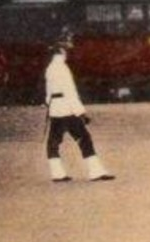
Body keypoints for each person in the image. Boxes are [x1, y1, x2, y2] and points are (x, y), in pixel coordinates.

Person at [43, 38, 114, 182]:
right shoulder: (63, 68)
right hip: (67, 109)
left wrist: (49, 105)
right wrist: (81, 112)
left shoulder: (50, 68)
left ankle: (57, 173)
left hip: (55, 109)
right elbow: (70, 91)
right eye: (66, 51)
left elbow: (48, 93)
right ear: (62, 52)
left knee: (53, 141)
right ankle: (96, 171)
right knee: (84, 138)